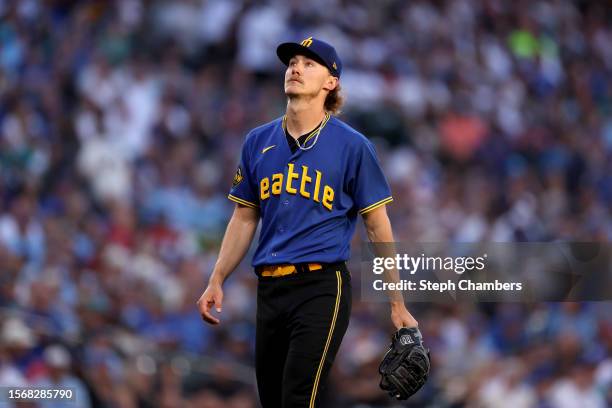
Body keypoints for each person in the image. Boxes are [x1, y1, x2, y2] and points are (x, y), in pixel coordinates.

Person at [197, 37, 418, 407]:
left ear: (331, 82)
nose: (296, 68)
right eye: (293, 62)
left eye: (309, 64)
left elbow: (379, 227)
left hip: (321, 285)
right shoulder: (257, 141)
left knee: (299, 397)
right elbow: (244, 216)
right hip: (268, 288)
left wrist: (397, 302)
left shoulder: (353, 146)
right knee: (273, 400)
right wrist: (217, 278)